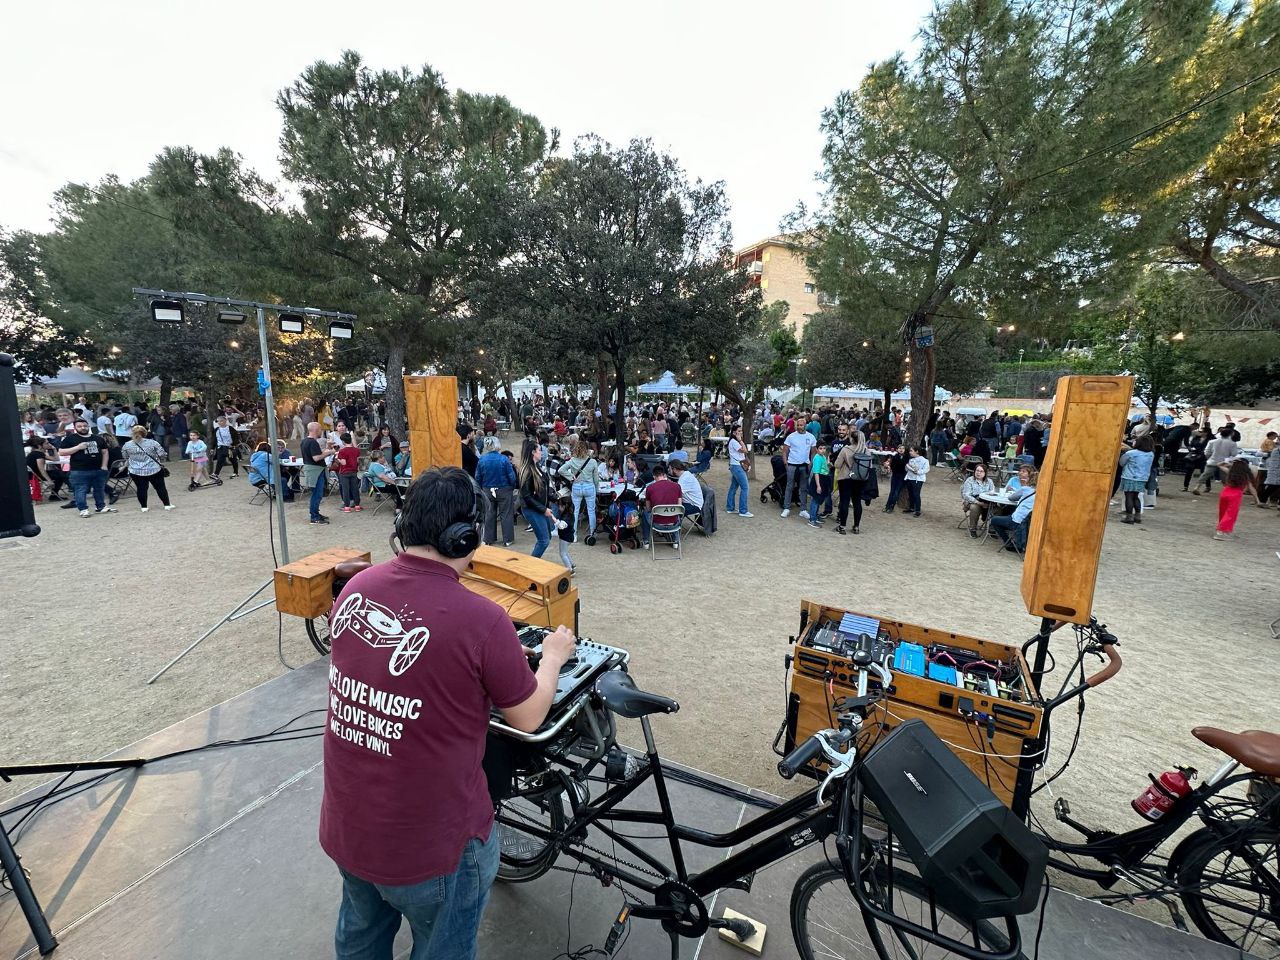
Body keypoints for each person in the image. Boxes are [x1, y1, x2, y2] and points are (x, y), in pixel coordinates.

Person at [320, 467, 576, 960]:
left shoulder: (356, 588)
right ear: (466, 537)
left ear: (403, 526)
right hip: (436, 850)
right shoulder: (482, 619)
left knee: (360, 941)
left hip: (350, 828)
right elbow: (527, 717)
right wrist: (552, 659)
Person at [60, 419, 115, 517]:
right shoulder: (70, 438)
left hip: (98, 469)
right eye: (79, 426)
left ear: (88, 426)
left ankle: (101, 506)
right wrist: (77, 448)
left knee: (99, 489)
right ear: (75, 428)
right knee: (80, 490)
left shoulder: (97, 438)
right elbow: (62, 452)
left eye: (85, 426)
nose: (83, 428)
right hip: (79, 470)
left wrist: (104, 465)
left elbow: (105, 451)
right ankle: (83, 509)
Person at [476, 436, 518, 546]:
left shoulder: (482, 459)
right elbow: (511, 476)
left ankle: (489, 539)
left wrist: (482, 488)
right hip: (504, 489)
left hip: (487, 489)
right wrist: (512, 486)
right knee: (506, 514)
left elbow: (478, 477)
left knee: (489, 514)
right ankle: (507, 539)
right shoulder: (504, 459)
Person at [557, 440, 600, 546]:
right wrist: (597, 489)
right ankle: (592, 533)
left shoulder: (572, 460)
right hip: (589, 486)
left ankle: (574, 535)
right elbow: (596, 479)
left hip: (577, 486)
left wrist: (571, 477)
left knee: (575, 512)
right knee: (591, 511)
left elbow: (561, 470)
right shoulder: (592, 461)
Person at [518, 440, 556, 559]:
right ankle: (531, 565)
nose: (542, 452)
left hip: (539, 507)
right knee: (544, 540)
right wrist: (544, 509)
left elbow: (542, 488)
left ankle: (534, 562)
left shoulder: (537, 467)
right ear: (533, 452)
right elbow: (526, 496)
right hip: (532, 509)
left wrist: (553, 497)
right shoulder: (527, 471)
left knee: (547, 537)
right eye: (539, 450)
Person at [122, 425, 173, 512]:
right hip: (154, 469)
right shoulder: (152, 443)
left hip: (136, 470)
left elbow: (125, 456)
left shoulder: (127, 445)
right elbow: (162, 454)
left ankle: (144, 507)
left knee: (141, 488)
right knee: (160, 487)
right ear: (144, 433)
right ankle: (167, 505)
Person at [832, 430, 872, 535]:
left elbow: (837, 464)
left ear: (852, 439)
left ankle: (842, 526)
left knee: (844, 502)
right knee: (857, 502)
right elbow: (870, 467)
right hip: (860, 479)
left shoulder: (846, 449)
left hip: (846, 478)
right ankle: (856, 526)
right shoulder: (866, 451)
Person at [1213, 458, 1260, 541]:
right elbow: (1252, 488)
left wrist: (1228, 461)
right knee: (1231, 514)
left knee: (1223, 512)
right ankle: (1221, 532)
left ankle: (1225, 531)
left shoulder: (1230, 472)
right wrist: (1257, 500)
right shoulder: (1246, 476)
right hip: (1235, 495)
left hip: (1225, 493)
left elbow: (1218, 465)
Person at [639, 461, 682, 548]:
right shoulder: (677, 486)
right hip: (674, 523)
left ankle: (646, 541)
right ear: (664, 475)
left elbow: (648, 508)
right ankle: (675, 541)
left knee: (645, 513)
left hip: (657, 523)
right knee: (676, 513)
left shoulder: (650, 488)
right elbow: (679, 506)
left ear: (654, 476)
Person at [780, 420, 815, 518]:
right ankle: (786, 508)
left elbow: (813, 452)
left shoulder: (811, 437)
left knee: (803, 488)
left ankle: (803, 509)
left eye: (801, 425)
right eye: (798, 425)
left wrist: (811, 464)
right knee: (789, 486)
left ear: (805, 425)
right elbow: (784, 451)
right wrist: (785, 463)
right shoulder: (791, 436)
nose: (799, 427)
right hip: (792, 465)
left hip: (804, 466)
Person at [1118, 436, 1154, 524]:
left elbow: (1121, 463)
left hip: (1129, 477)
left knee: (1129, 497)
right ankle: (1138, 516)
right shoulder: (1151, 454)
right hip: (1142, 478)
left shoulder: (1131, 453)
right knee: (1136, 497)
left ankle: (1129, 517)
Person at [1196, 427, 1241, 495]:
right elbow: (1234, 454)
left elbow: (1207, 452)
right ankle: (1227, 491)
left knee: (1205, 475)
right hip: (1224, 463)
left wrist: (1209, 458)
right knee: (1226, 478)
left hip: (1212, 461)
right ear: (1230, 434)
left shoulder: (1212, 441)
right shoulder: (1232, 443)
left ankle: (1197, 488)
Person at [301, 422, 331, 524]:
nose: (321, 431)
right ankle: (314, 517)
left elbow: (315, 454)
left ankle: (316, 513)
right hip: (315, 471)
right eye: (320, 429)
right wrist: (329, 453)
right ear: (316, 430)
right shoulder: (312, 442)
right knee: (316, 494)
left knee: (316, 494)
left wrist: (325, 451)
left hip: (313, 470)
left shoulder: (305, 441)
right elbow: (316, 458)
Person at [725, 425, 752, 517]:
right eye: (739, 431)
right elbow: (745, 450)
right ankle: (743, 510)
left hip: (735, 465)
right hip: (737, 466)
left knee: (733, 487)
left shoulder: (733, 442)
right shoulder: (735, 442)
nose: (740, 433)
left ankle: (730, 507)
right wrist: (740, 440)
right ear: (734, 433)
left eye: (741, 431)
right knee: (745, 488)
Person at [961, 463, 995, 538]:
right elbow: (966, 495)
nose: (978, 473)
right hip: (971, 501)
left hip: (987, 501)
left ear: (985, 473)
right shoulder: (969, 480)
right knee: (975, 507)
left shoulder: (989, 481)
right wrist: (979, 503)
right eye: (977, 471)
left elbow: (993, 492)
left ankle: (992, 528)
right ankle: (972, 529)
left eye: (981, 471)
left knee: (997, 508)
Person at [806, 441, 832, 527]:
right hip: (819, 479)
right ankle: (812, 519)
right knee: (815, 500)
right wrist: (818, 486)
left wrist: (828, 465)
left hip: (824, 479)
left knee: (819, 499)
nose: (822, 450)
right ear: (816, 449)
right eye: (820, 448)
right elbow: (816, 472)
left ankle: (815, 516)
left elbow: (824, 467)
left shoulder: (823, 457)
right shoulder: (817, 458)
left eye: (824, 448)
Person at [334, 433, 362, 512]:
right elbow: (357, 461)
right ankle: (357, 505)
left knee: (345, 490)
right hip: (353, 471)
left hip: (344, 472)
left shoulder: (342, 451)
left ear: (343, 441)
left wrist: (337, 458)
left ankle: (347, 506)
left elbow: (343, 463)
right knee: (355, 488)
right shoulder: (356, 450)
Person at [670, 459, 703, 524]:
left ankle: (672, 530)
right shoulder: (685, 475)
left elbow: (677, 495)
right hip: (690, 502)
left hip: (694, 505)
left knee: (672, 510)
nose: (669, 471)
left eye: (670, 469)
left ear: (674, 469)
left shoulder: (685, 478)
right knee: (670, 506)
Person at [883, 445, 909, 513]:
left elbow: (905, 466)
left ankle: (892, 506)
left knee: (896, 492)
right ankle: (887, 506)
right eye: (900, 448)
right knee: (892, 491)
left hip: (902, 476)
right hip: (895, 476)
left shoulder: (907, 457)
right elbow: (892, 466)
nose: (901, 449)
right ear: (897, 449)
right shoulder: (895, 457)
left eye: (903, 448)